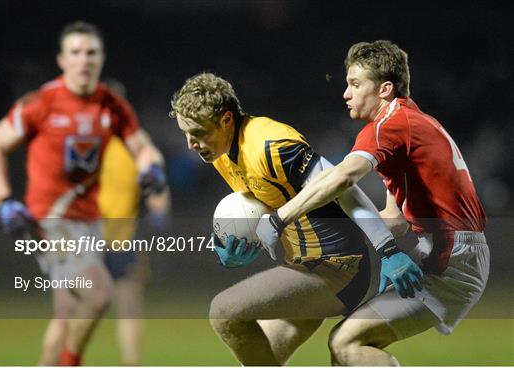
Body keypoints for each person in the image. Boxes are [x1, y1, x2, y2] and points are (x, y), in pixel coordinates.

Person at [256, 40, 489, 365]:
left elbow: (342, 177)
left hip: (450, 256)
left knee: (347, 342)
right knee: (345, 346)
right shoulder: (410, 121)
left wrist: (279, 218)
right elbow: (394, 219)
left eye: (354, 84)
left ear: (384, 89)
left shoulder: (388, 126)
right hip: (450, 251)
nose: (346, 94)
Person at [169, 72, 422, 365]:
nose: (191, 143)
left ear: (226, 119)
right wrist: (234, 242)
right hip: (304, 266)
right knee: (261, 357)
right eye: (186, 133)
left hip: (338, 267)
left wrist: (388, 250)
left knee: (224, 312)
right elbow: (264, 203)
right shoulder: (222, 151)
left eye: (198, 132)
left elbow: (342, 184)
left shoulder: (270, 143)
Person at [0, 21, 168, 366]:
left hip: (89, 222)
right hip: (49, 221)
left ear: (102, 59)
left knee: (66, 315)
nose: (84, 60)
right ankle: (71, 362)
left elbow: (144, 148)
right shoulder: (41, 103)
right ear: (62, 60)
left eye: (91, 53)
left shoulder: (111, 106)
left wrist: (151, 168)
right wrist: (4, 200)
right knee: (98, 293)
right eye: (76, 53)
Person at [99, 78, 170, 366]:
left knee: (129, 310)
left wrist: (158, 208)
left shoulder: (136, 143)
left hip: (122, 240)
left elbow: (156, 178)